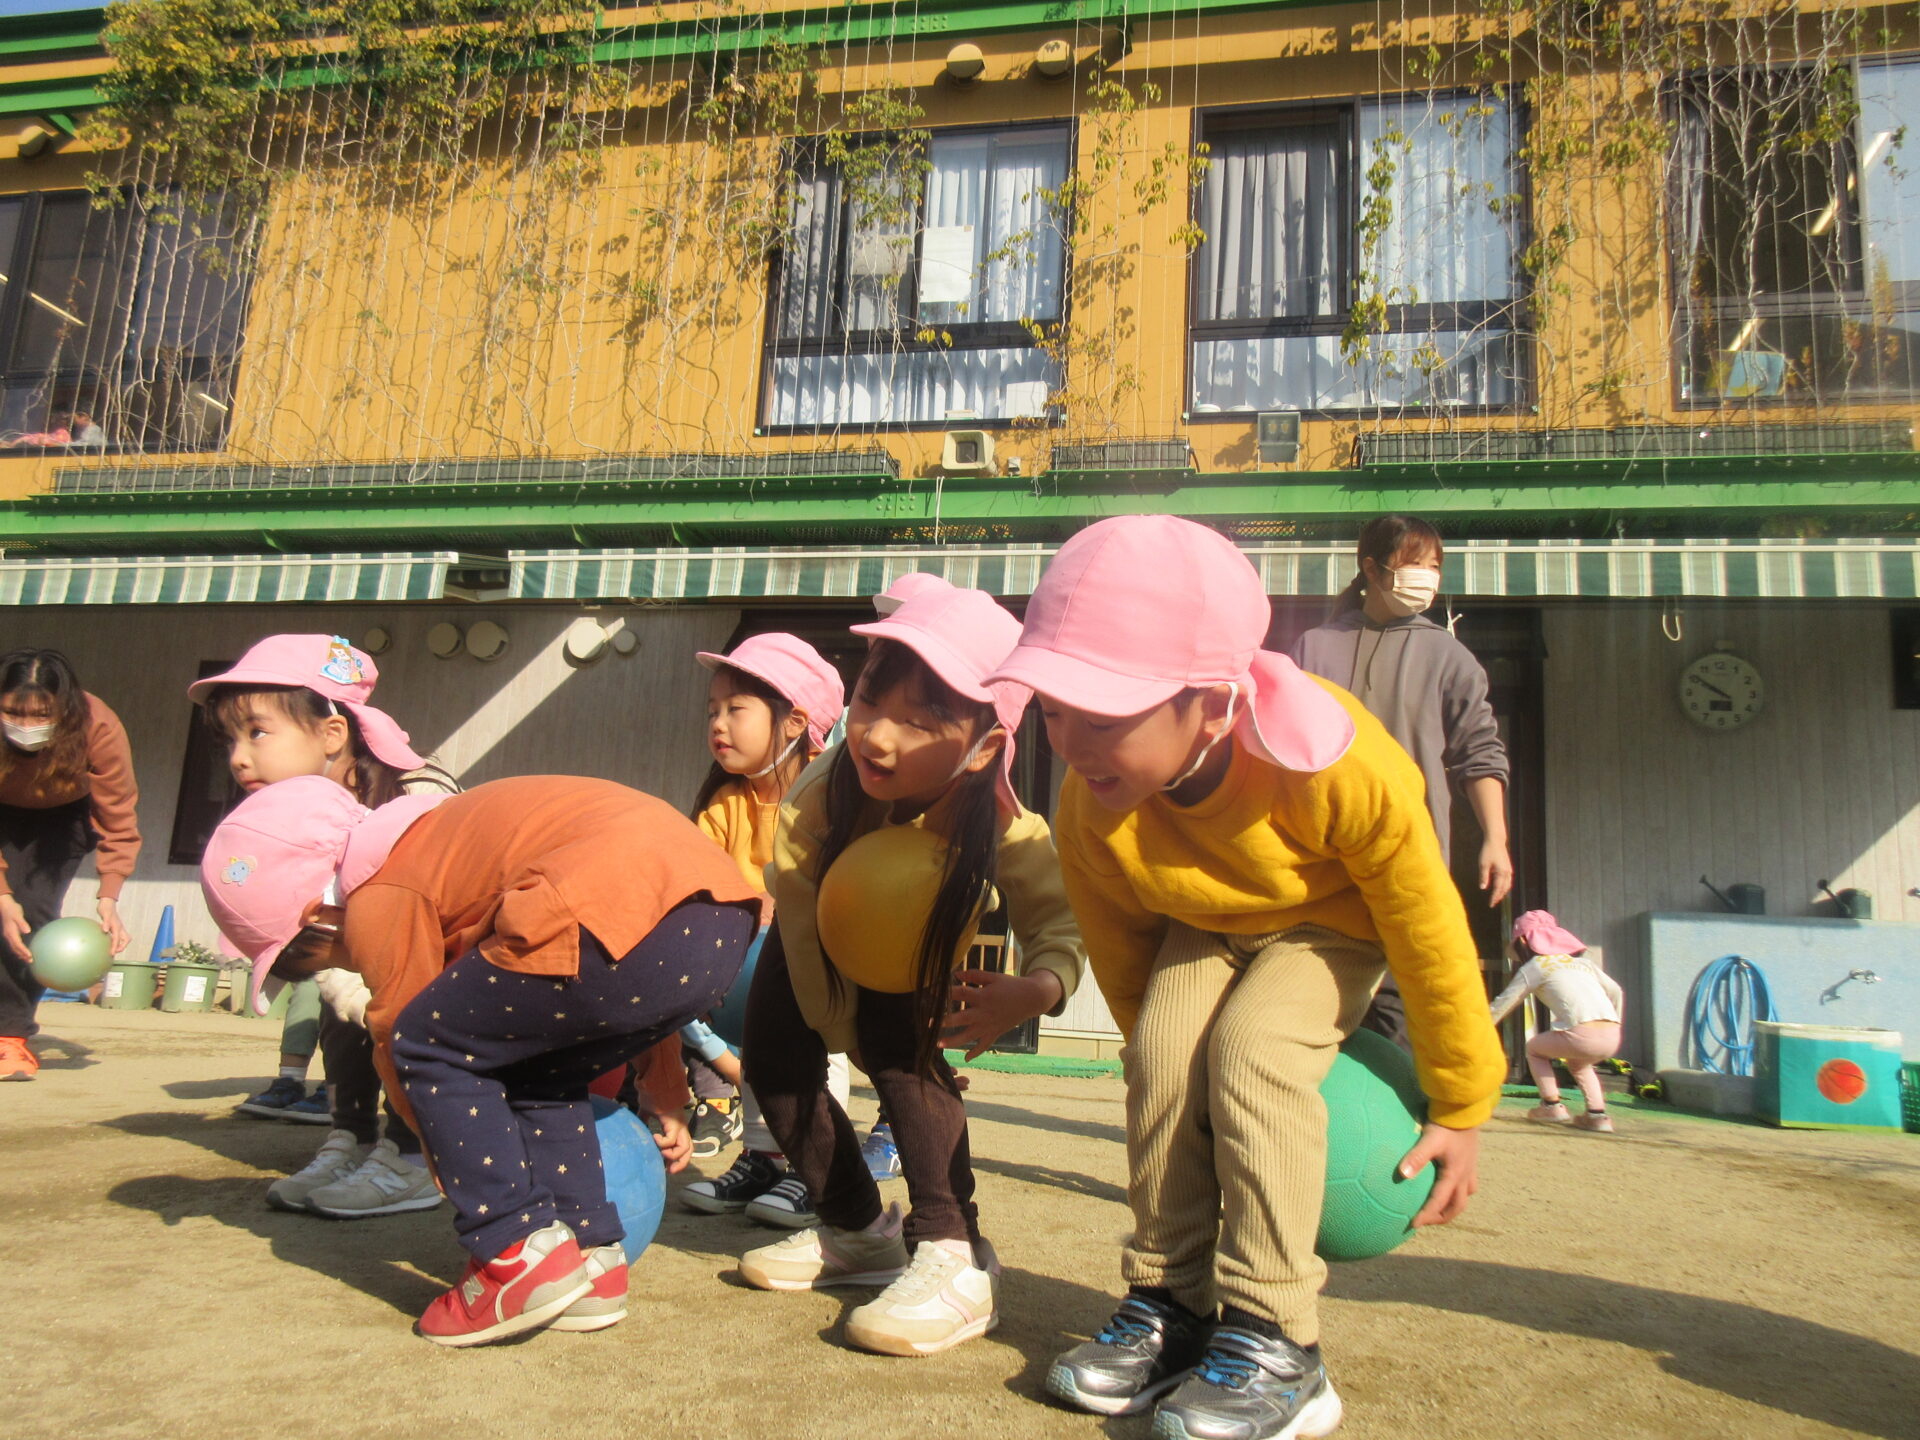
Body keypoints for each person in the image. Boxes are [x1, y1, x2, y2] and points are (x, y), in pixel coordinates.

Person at [987, 516, 1504, 1436]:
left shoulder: (1340, 765)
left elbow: (1428, 929)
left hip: (1331, 928)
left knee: (1254, 1053)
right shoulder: (1093, 804)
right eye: (1054, 711)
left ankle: (1278, 1338)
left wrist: (1461, 1102)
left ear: (1215, 706)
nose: (1070, 742)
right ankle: (1170, 1304)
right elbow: (1121, 949)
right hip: (1207, 926)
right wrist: (1165, 1074)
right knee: (1167, 1051)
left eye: (1103, 718)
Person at [200, 773, 760, 1346]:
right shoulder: (448, 839)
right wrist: (664, 1089)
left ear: (319, 913)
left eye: (337, 955)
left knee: (425, 1038)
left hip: (605, 910)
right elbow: (635, 935)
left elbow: (403, 1032)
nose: (355, 962)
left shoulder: (381, 882)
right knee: (540, 1066)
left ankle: (512, 1255)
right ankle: (591, 1258)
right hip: (719, 922)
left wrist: (447, 1148)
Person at [735, 584, 1085, 1357]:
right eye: (869, 701)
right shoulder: (825, 796)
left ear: (983, 747)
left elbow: (1057, 920)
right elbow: (799, 911)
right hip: (811, 936)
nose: (878, 737)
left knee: (903, 1056)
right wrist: (837, 1022)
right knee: (776, 1066)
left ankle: (955, 1253)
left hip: (910, 946)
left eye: (920, 723)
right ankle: (857, 1231)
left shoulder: (998, 820)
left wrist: (1036, 989)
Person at [192, 634, 457, 1214]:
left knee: (406, 1017)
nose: (238, 757)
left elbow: (442, 910)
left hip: (437, 957)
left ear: (332, 733)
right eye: (230, 739)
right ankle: (352, 1138)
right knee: (338, 1013)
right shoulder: (282, 814)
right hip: (361, 952)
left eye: (257, 733)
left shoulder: (415, 791)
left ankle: (413, 1154)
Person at [1292, 514, 1512, 1047]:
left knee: (1396, 1018)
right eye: (1415, 563)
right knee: (1309, 1007)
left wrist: (1496, 838)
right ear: (1372, 568)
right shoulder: (1311, 649)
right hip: (1317, 863)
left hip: (1410, 860)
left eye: (1434, 566)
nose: (1427, 577)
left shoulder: (1449, 655)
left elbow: (1480, 753)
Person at [679, 632, 851, 1225]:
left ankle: (818, 1166)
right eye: (712, 710)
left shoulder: (830, 793)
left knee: (817, 1052)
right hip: (746, 958)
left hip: (816, 955)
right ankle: (763, 1156)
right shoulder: (725, 804)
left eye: (735, 709)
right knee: (757, 1050)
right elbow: (700, 878)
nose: (718, 724)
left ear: (796, 721)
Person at [0, 649, 139, 1081]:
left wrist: (109, 895)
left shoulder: (98, 726)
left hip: (62, 818)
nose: (25, 725)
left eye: (40, 714)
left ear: (65, 708)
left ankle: (9, 1035)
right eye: (12, 713)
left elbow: (118, 814)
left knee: (29, 915)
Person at [1490, 910, 1623, 1134]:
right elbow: (1616, 991)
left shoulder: (1536, 966)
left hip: (1581, 1035)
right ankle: (1597, 1116)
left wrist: (1480, 1026)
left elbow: (1504, 1003)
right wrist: (1615, 1021)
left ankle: (1551, 1106)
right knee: (1579, 1064)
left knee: (1534, 1049)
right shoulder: (1583, 964)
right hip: (1612, 1034)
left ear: (1523, 942)